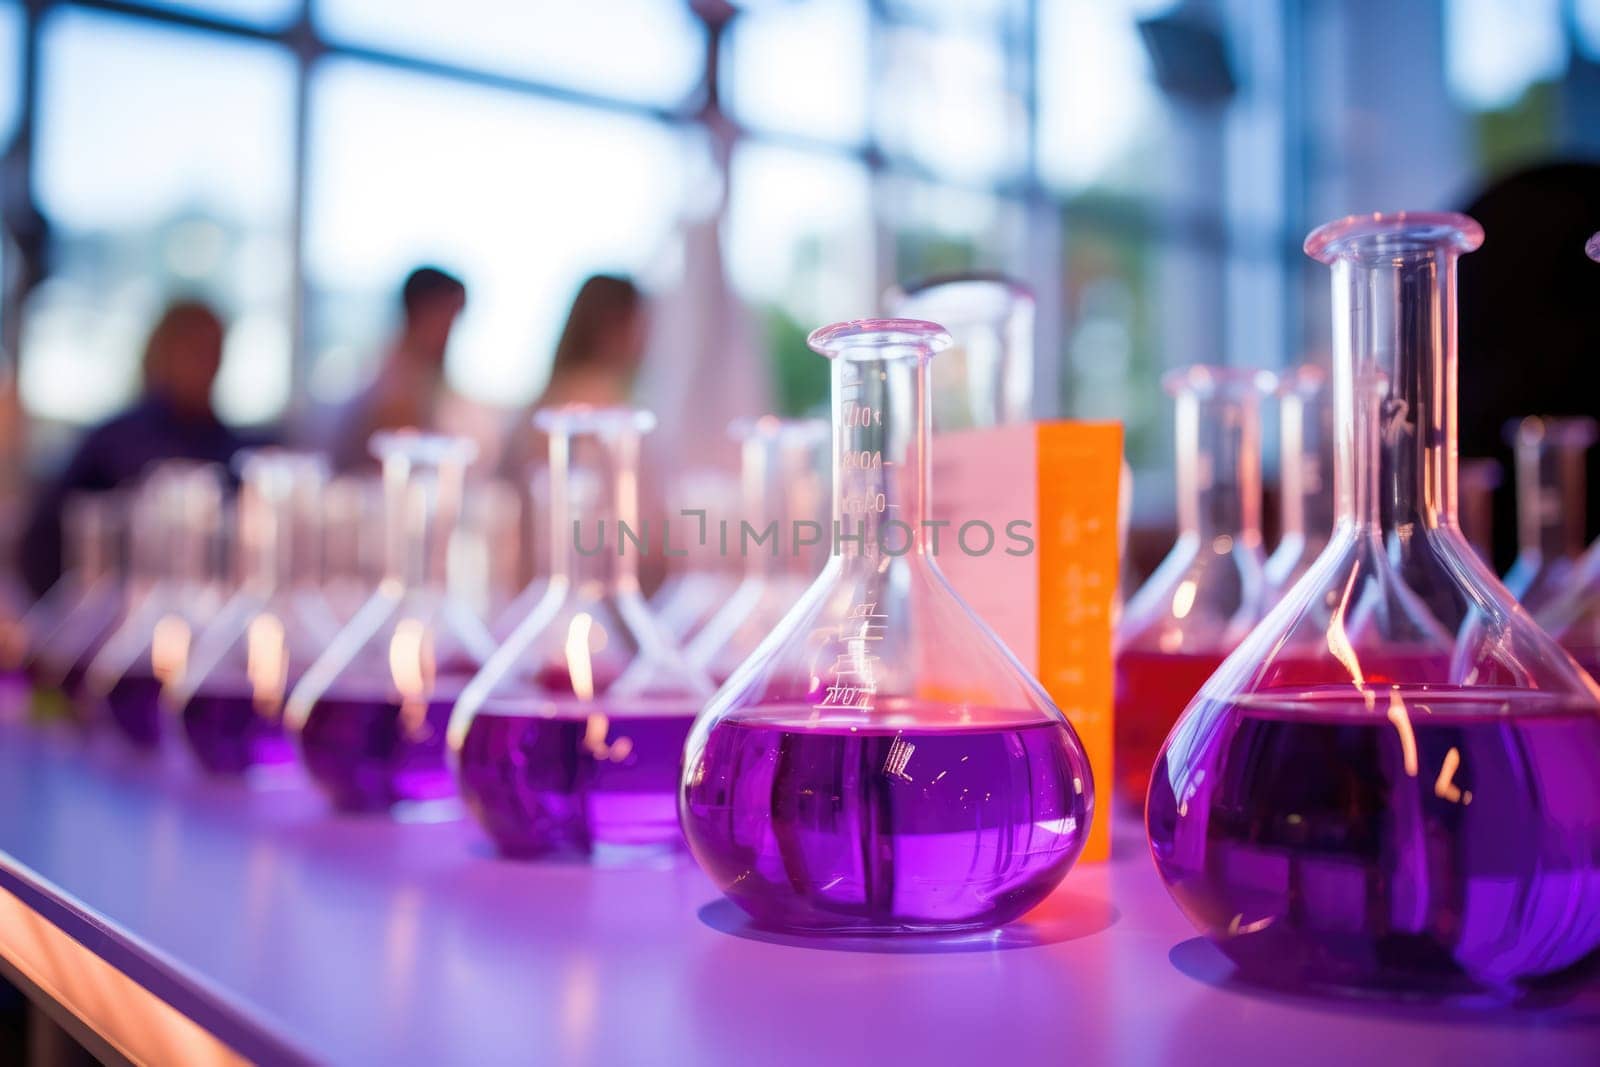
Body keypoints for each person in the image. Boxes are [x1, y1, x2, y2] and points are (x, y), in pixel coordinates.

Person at [18, 299, 245, 596]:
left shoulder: (232, 452)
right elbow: (43, 541)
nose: (204, 363)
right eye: (192, 349)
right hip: (120, 616)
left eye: (212, 351)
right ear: (162, 353)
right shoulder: (113, 442)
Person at [500, 274, 649, 480]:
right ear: (612, 323)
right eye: (638, 320)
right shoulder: (593, 400)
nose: (644, 334)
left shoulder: (553, 394)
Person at [330, 266, 467, 471]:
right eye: (448, 316)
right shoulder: (394, 388)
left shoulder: (424, 380)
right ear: (421, 312)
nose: (451, 331)